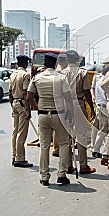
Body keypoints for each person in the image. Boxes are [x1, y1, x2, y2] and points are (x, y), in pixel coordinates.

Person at [26, 52, 74, 186]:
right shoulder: (61, 78)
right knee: (64, 144)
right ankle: (61, 174)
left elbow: (29, 98)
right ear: (55, 64)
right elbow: (68, 98)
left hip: (42, 115)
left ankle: (44, 176)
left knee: (44, 146)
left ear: (44, 64)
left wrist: (38, 109)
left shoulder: (36, 78)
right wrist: (71, 116)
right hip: (59, 115)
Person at [61, 50, 96, 174]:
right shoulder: (83, 73)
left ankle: (69, 165)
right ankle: (83, 165)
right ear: (77, 60)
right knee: (81, 135)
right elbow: (87, 92)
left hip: (66, 105)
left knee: (67, 135)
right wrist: (91, 108)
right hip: (79, 104)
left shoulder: (62, 73)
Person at [9, 55, 33, 168]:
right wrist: (28, 110)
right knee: (22, 133)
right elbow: (25, 94)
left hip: (14, 102)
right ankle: (20, 158)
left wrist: (12, 105)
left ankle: (14, 155)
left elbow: (10, 92)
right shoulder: (25, 75)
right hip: (22, 103)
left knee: (15, 131)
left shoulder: (13, 74)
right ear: (25, 64)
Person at [90, 61, 109, 153]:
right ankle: (96, 149)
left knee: (100, 128)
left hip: (99, 106)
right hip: (104, 107)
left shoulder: (100, 80)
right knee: (103, 130)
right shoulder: (104, 82)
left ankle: (97, 147)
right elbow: (106, 96)